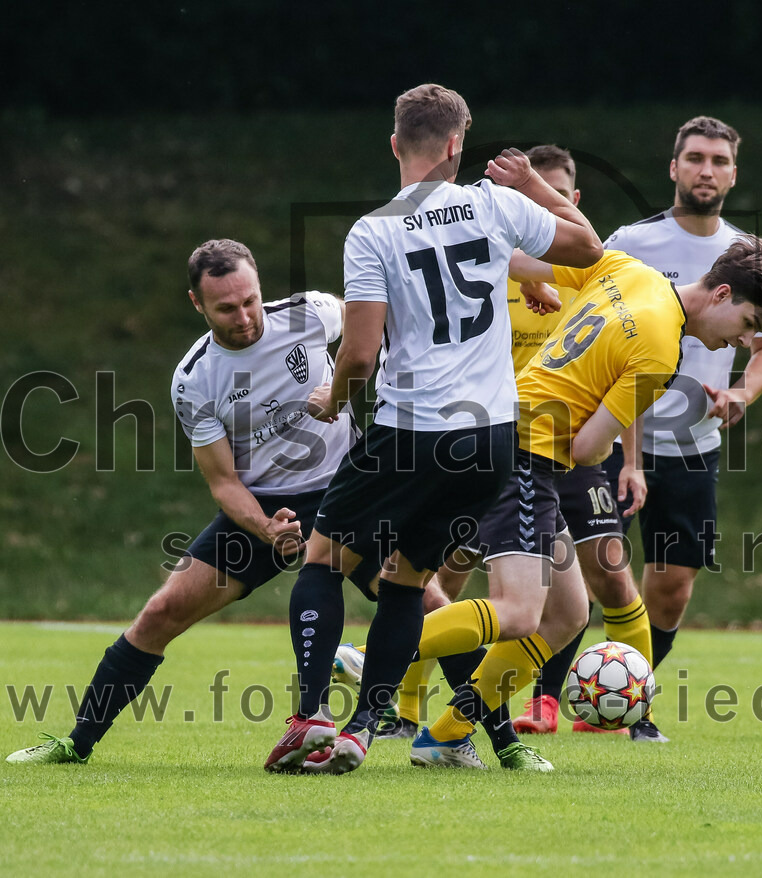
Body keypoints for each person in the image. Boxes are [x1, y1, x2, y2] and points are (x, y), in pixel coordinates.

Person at [263, 83, 603, 774]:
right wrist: (537, 186)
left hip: (412, 429)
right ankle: (361, 729)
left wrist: (332, 402)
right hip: (492, 442)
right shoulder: (493, 204)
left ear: (395, 144)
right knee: (407, 580)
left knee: (324, 562)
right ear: (456, 145)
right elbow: (590, 248)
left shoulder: (374, 230)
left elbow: (358, 354)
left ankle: (309, 719)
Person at [405, 237, 762, 768]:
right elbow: (589, 447)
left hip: (508, 436)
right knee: (520, 612)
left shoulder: (631, 271)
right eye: (749, 324)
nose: (740, 341)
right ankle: (377, 654)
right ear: (722, 294)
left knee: (569, 614)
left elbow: (529, 262)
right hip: (524, 451)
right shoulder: (662, 350)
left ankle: (446, 735)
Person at [6, 239, 356, 766]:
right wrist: (265, 529)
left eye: (250, 300)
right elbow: (223, 483)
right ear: (197, 304)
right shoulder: (195, 379)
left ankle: (476, 736)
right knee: (160, 612)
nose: (245, 318)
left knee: (415, 598)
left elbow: (373, 332)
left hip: (346, 487)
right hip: (262, 504)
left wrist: (346, 393)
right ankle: (76, 743)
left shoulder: (311, 314)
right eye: (226, 308)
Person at [387, 145, 652, 749]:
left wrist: (631, 461)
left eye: (547, 199)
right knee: (457, 578)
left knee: (600, 583)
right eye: (527, 200)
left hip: (574, 452)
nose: (535, 210)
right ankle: (403, 701)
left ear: (568, 204)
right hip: (504, 442)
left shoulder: (593, 278)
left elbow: (625, 380)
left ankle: (635, 713)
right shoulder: (487, 264)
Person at [600, 117, 762, 719]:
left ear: (734, 173)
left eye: (720, 161)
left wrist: (741, 397)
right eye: (696, 158)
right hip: (606, 438)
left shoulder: (745, 257)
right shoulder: (629, 241)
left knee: (673, 586)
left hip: (692, 447)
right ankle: (549, 697)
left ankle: (623, 700)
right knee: (587, 572)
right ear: (674, 168)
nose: (707, 170)